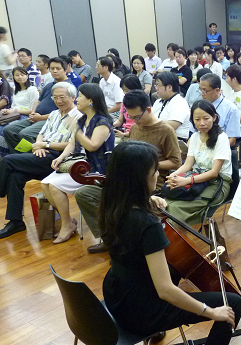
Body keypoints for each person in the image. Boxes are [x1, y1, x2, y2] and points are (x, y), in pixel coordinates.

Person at [99, 140, 241, 345]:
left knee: (176, 265)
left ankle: (157, 334)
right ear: (139, 178)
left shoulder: (110, 204)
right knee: (232, 304)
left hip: (116, 293)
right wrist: (210, 312)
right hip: (142, 312)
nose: (158, 175)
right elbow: (164, 290)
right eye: (154, 172)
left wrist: (149, 200)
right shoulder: (147, 224)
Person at [76, 90, 181, 253]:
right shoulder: (135, 128)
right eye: (131, 117)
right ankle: (108, 237)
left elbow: (175, 161)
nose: (135, 121)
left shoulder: (165, 130)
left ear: (148, 110)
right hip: (126, 182)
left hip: (151, 182)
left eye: (138, 117)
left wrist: (147, 165)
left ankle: (127, 240)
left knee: (119, 202)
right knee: (84, 193)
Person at [0, 82, 80, 238]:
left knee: (9, 160)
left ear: (73, 97)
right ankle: (16, 222)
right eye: (55, 97)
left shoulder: (79, 117)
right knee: (15, 176)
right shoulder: (55, 114)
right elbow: (41, 133)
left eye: (62, 97)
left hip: (59, 158)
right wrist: (39, 146)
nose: (58, 101)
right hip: (43, 154)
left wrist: (46, 144)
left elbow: (73, 143)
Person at [41, 84, 115, 244]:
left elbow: (93, 145)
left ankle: (67, 225)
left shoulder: (102, 121)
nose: (78, 99)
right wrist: (61, 157)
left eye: (80, 96)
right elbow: (72, 144)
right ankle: (68, 222)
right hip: (82, 164)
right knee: (45, 183)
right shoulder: (82, 120)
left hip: (97, 169)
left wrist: (77, 130)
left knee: (54, 186)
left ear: (90, 100)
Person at [165, 99, 232, 225]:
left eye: (206, 118)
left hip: (217, 184)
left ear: (214, 117)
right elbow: (187, 164)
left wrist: (187, 180)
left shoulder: (221, 138)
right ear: (192, 120)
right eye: (197, 119)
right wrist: (174, 175)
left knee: (174, 208)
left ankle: (179, 238)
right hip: (198, 179)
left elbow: (214, 173)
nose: (202, 123)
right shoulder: (195, 137)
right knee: (165, 201)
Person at [4, 57, 70, 151]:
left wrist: (40, 117)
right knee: (8, 130)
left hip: (50, 120)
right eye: (52, 69)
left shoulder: (68, 87)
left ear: (65, 70)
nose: (55, 71)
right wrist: (33, 113)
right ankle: (20, 155)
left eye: (58, 68)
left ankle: (32, 158)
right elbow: (38, 101)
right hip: (36, 117)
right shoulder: (49, 85)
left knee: (25, 133)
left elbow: (64, 113)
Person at [151, 72, 194, 141]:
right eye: (155, 85)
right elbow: (150, 119)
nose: (156, 88)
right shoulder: (158, 102)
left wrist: (149, 127)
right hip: (158, 138)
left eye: (158, 85)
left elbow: (171, 126)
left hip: (175, 140)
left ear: (169, 87)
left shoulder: (179, 102)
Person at [0, 67, 31, 156]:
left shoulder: (32, 90)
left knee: (4, 129)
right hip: (14, 115)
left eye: (22, 75)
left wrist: (15, 110)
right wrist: (8, 110)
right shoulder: (16, 91)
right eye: (17, 75)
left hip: (26, 116)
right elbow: (13, 106)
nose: (20, 77)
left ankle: (11, 153)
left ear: (27, 76)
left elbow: (34, 110)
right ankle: (5, 155)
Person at [113, 74, 143, 138]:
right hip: (123, 132)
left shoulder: (142, 103)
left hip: (136, 135)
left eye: (127, 90)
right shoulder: (125, 102)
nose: (124, 93)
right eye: (123, 90)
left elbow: (142, 128)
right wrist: (110, 126)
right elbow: (120, 121)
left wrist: (124, 135)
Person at [96, 56, 123, 122]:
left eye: (98, 65)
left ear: (106, 68)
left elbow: (119, 105)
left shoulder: (116, 81)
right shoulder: (102, 81)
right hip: (105, 111)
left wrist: (105, 112)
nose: (96, 67)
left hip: (115, 112)